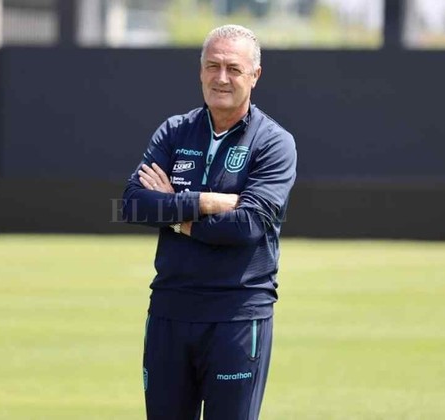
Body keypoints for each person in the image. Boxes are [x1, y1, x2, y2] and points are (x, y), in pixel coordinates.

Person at [122, 24, 297, 420]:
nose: (221, 78)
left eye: (233, 69)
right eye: (213, 66)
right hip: (170, 310)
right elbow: (132, 205)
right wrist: (206, 201)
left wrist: (174, 213)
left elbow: (247, 226)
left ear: (255, 75)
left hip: (237, 316)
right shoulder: (174, 131)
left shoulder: (274, 143)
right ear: (200, 71)